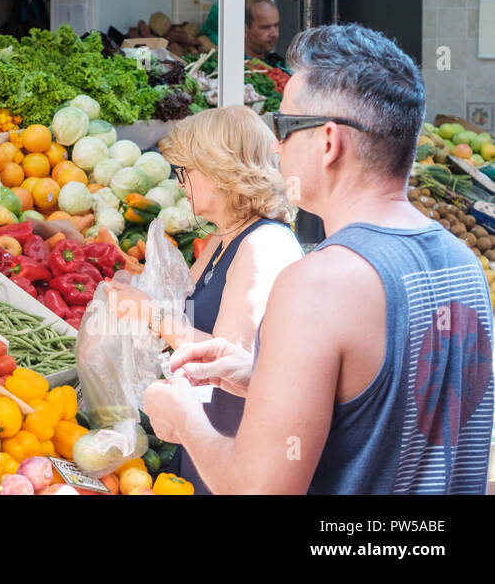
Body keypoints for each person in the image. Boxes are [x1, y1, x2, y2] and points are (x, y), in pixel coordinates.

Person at [143, 24, 495, 494]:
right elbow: (388, 411)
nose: (274, 145)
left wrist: (185, 421)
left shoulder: (317, 284)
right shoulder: (463, 264)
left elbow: (258, 490)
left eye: (285, 128)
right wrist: (261, 377)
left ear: (329, 143)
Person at [112, 105, 302, 495]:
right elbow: (185, 313)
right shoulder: (222, 237)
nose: (181, 183)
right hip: (205, 434)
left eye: (186, 171)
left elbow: (233, 359)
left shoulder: (263, 245)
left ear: (219, 173)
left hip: (233, 450)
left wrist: (152, 317)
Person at [243, 0, 287, 71]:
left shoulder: (281, 64)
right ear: (244, 29)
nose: (274, 34)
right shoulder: (234, 65)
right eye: (265, 27)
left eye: (276, 25)